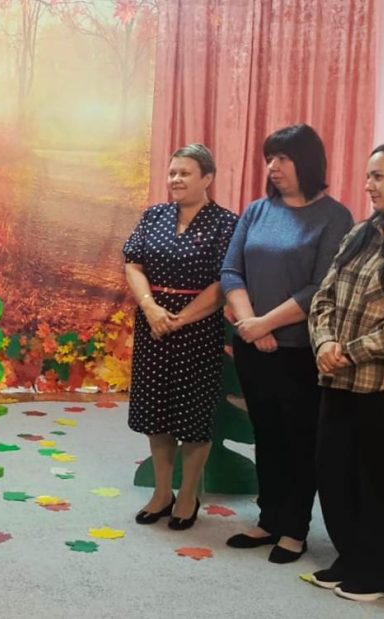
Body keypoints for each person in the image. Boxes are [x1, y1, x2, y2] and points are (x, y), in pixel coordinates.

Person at [220, 123, 353, 563]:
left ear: (307, 162)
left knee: (298, 439)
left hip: (299, 352)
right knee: (266, 434)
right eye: (269, 159)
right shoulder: (257, 210)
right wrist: (251, 325)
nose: (273, 167)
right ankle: (269, 519)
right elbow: (231, 271)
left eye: (283, 158)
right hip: (253, 346)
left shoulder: (334, 217)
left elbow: (321, 287)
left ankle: (294, 529)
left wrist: (264, 324)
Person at [123, 144, 238, 530]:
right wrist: (151, 308)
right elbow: (133, 264)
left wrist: (180, 318)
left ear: (208, 178)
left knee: (193, 417)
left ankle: (188, 495)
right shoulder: (153, 216)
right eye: (172, 172)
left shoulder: (226, 223)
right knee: (156, 414)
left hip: (198, 331)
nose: (175, 179)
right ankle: (161, 493)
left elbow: (224, 282)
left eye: (185, 173)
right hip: (153, 326)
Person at [306, 143, 384, 601]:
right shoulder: (361, 232)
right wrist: (324, 343)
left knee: (376, 482)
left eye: (379, 176)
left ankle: (379, 570)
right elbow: (324, 295)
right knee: (334, 474)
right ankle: (353, 555)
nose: (368, 185)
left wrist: (350, 352)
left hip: (380, 387)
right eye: (368, 175)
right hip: (336, 379)